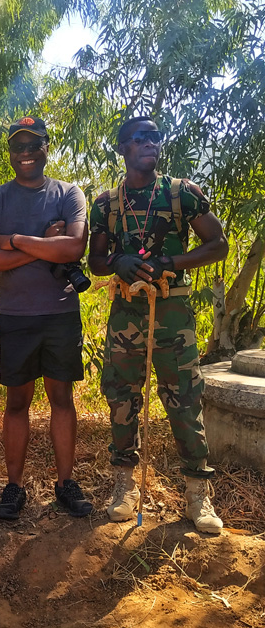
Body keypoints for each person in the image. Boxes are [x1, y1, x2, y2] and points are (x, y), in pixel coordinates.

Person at [88, 115, 229, 534]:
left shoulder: (182, 194)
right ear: (123, 148)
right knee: (122, 398)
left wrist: (171, 262)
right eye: (142, 138)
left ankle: (197, 493)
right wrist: (118, 261)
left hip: (173, 315)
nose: (152, 142)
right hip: (126, 315)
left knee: (184, 399)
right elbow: (94, 261)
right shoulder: (106, 204)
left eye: (156, 137)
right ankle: (124, 486)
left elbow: (218, 244)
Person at [0, 116, 92, 520]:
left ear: (46, 147)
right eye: (17, 147)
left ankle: (65, 483)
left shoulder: (68, 194)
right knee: (17, 402)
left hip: (60, 314)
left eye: (32, 145)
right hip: (17, 316)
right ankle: (14, 487)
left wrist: (16, 241)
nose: (25, 153)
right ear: (10, 153)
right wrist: (45, 244)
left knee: (62, 398)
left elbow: (74, 248)